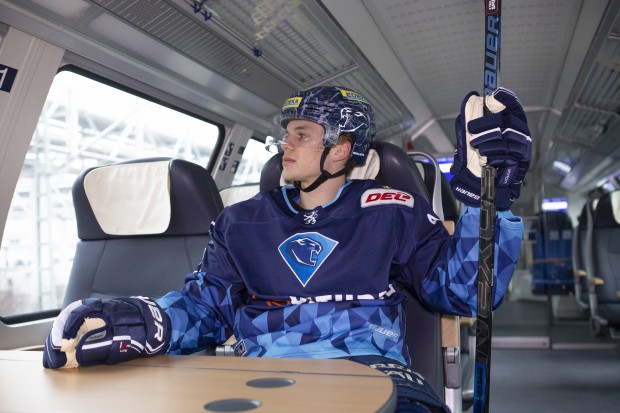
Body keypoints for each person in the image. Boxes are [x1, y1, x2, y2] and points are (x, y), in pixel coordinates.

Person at [43, 85, 531, 413]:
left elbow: (468, 295)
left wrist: (487, 208)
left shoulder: (393, 209)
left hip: (375, 377)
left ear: (341, 148)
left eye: (302, 135)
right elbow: (204, 306)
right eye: (286, 134)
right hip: (262, 380)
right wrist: (146, 321)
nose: (285, 145)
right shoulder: (241, 220)